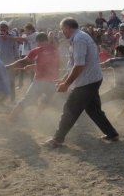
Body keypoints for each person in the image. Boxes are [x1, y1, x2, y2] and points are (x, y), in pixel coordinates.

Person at [43, 18, 119, 148]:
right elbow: (73, 65)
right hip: (91, 79)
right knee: (94, 110)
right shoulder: (79, 37)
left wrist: (66, 84)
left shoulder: (79, 39)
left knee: (70, 109)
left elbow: (79, 66)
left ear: (68, 28)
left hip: (86, 81)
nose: (62, 32)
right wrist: (64, 79)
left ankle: (57, 139)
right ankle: (112, 134)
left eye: (62, 29)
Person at [5, 32, 60, 121]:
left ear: (38, 41)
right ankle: (36, 118)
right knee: (45, 99)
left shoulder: (37, 50)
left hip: (40, 81)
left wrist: (7, 67)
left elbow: (22, 62)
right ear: (47, 40)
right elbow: (50, 64)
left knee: (27, 100)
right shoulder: (55, 49)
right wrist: (34, 66)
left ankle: (10, 118)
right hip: (53, 81)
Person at [100, 45, 124, 117]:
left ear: (119, 52)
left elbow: (100, 65)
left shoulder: (114, 61)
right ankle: (120, 115)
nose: (114, 53)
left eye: (115, 51)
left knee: (99, 100)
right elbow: (121, 67)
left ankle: (90, 109)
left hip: (118, 90)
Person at [0, 21, 20, 102]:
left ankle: (12, 100)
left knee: (11, 83)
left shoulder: (12, 37)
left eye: (4, 27)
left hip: (11, 64)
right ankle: (1, 102)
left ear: (7, 28)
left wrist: (17, 63)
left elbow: (16, 51)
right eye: (1, 27)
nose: (2, 28)